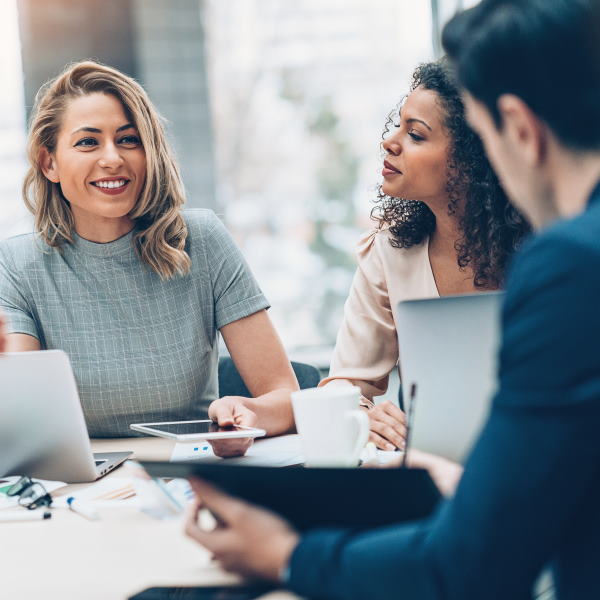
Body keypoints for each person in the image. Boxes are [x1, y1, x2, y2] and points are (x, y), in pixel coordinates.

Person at [184, 0, 600, 597]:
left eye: (480, 133)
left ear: (519, 132)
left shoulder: (567, 263)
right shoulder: (401, 248)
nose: (391, 144)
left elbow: (473, 561)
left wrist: (287, 556)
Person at [0, 61, 298, 454]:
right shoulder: (17, 264)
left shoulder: (202, 240)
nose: (113, 158)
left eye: (129, 140)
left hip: (192, 470)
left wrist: (249, 415)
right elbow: (24, 418)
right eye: (88, 142)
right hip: (85, 484)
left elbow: (285, 396)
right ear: (49, 163)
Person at [320, 59, 529, 450]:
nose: (390, 141)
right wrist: (362, 412)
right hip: (436, 465)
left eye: (415, 135)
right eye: (397, 125)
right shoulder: (389, 251)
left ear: (472, 160)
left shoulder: (551, 245)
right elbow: (345, 383)